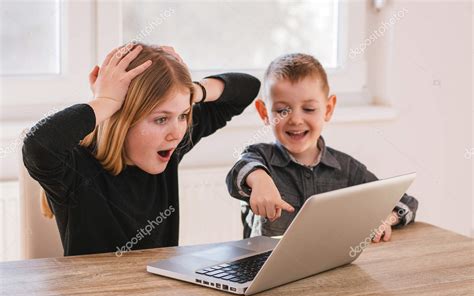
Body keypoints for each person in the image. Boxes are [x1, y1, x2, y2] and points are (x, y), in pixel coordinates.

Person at [22, 43, 260, 256]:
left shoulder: (170, 146)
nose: (177, 133)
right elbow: (38, 145)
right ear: (122, 118)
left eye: (183, 115)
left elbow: (248, 87)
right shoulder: (77, 169)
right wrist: (106, 101)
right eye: (161, 119)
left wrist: (191, 90)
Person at [226, 53, 418, 241]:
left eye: (308, 109)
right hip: (266, 270)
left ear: (328, 109)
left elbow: (406, 203)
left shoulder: (348, 169)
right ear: (264, 113)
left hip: (329, 270)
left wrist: (386, 219)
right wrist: (259, 179)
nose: (296, 120)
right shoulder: (259, 157)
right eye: (282, 110)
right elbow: (240, 172)